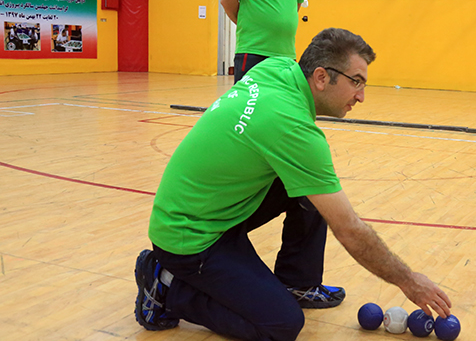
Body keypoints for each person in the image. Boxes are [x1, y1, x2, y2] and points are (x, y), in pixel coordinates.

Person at [134, 28, 452, 341]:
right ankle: (166, 287)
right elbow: (349, 229)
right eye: (356, 82)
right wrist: (409, 281)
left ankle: (298, 281)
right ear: (321, 77)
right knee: (281, 325)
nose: (361, 96)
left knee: (314, 190)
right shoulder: (290, 126)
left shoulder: (279, 68)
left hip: (207, 209)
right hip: (188, 237)